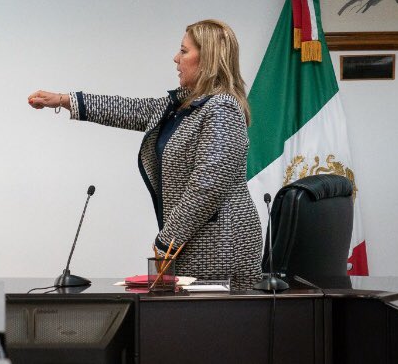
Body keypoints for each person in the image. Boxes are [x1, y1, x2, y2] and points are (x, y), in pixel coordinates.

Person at [28, 19, 262, 289]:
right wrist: (65, 100)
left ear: (208, 57)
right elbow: (132, 110)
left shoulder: (221, 108)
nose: (176, 58)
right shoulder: (184, 106)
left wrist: (167, 241)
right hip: (195, 244)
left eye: (184, 51)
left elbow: (207, 187)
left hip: (221, 248)